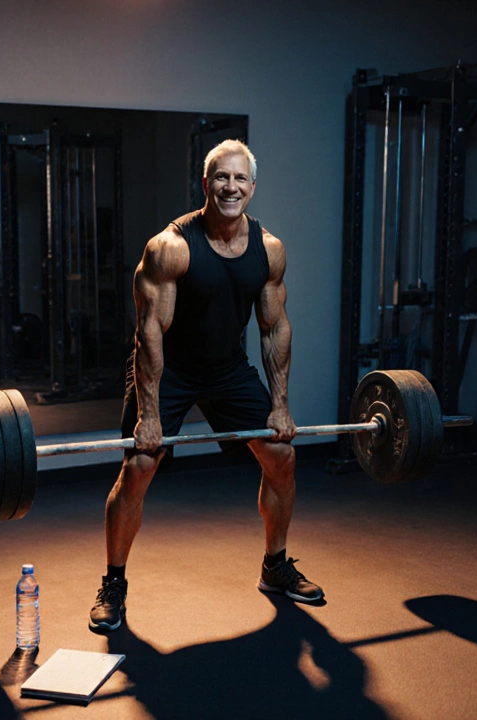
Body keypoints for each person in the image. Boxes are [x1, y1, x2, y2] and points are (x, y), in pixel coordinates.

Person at [89, 140, 321, 634]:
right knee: (139, 467)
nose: (230, 187)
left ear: (252, 187)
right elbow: (149, 333)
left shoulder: (269, 250)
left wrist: (280, 406)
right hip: (169, 367)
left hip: (225, 368)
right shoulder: (170, 248)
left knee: (281, 455)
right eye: (221, 178)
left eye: (240, 179)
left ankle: (275, 565)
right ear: (206, 184)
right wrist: (149, 416)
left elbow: (275, 328)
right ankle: (114, 583)